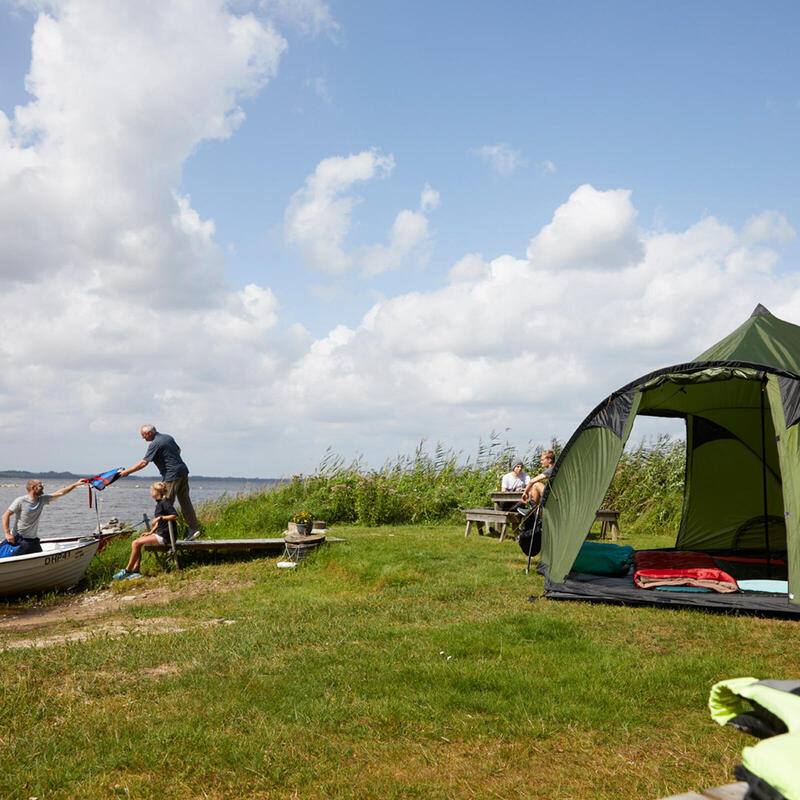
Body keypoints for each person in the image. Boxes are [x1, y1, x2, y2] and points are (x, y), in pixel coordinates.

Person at [119, 424, 200, 541]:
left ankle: (162, 536)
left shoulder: (155, 443)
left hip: (171, 476)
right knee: (185, 502)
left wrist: (128, 472)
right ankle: (194, 529)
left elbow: (144, 463)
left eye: (143, 435)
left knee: (165, 505)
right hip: (182, 472)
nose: (142, 438)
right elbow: (178, 450)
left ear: (150, 433)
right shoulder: (168, 437)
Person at [113, 482, 178, 580]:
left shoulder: (165, 502)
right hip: (161, 534)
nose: (150, 493)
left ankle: (127, 570)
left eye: (151, 491)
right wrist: (151, 532)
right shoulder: (160, 503)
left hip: (166, 537)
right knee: (138, 542)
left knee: (135, 543)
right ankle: (136, 571)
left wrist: (159, 518)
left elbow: (175, 516)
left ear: (156, 492)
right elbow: (160, 522)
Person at [2, 478, 83, 556]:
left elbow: (61, 493)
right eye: (40, 485)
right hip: (19, 539)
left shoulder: (42, 499)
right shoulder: (21, 501)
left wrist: (75, 484)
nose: (43, 487)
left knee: (40, 558)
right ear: (33, 488)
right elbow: (5, 515)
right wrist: (7, 534)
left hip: (33, 541)